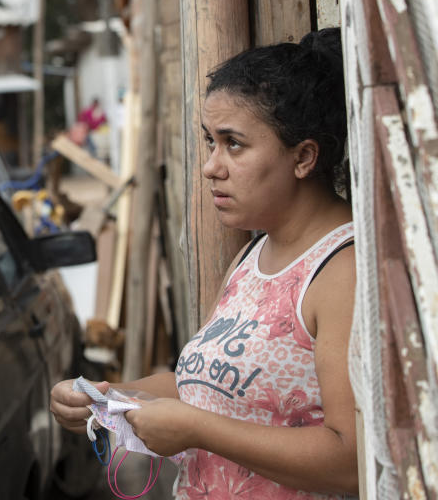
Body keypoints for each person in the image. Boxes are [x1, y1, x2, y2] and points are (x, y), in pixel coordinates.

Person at [50, 28, 359, 498]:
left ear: (304, 157)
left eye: (233, 144)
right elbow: (202, 386)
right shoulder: (252, 256)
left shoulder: (343, 270)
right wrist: (108, 393)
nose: (212, 165)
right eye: (210, 142)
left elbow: (349, 459)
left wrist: (199, 430)